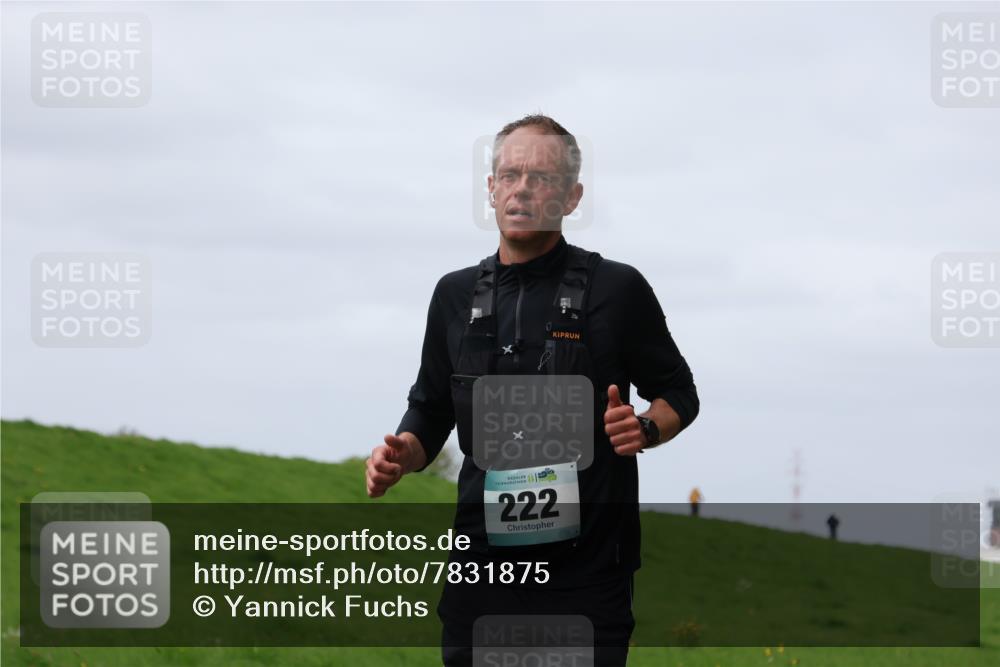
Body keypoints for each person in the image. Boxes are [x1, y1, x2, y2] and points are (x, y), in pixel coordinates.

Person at [365, 114, 700, 666]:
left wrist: (642, 427)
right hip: (481, 567)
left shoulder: (619, 289)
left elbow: (679, 394)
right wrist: (401, 453)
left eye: (541, 178)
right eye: (510, 174)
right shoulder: (453, 295)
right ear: (490, 188)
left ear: (572, 197)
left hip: (588, 572)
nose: (522, 187)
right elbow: (429, 408)